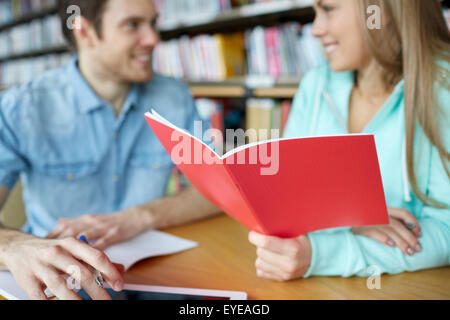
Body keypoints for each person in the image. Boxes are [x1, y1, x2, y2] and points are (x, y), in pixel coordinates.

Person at [0, 0, 220, 299]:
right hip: (65, 283)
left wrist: (139, 217)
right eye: (132, 25)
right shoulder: (21, 108)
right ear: (85, 32)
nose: (153, 39)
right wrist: (15, 246)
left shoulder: (174, 97)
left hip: (158, 274)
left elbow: (220, 191)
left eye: (153, 23)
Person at [249, 0, 450, 281]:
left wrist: (321, 253)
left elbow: (445, 230)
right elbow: (284, 199)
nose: (315, 29)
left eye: (328, 9)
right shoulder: (314, 85)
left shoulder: (443, 88)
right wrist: (348, 221)